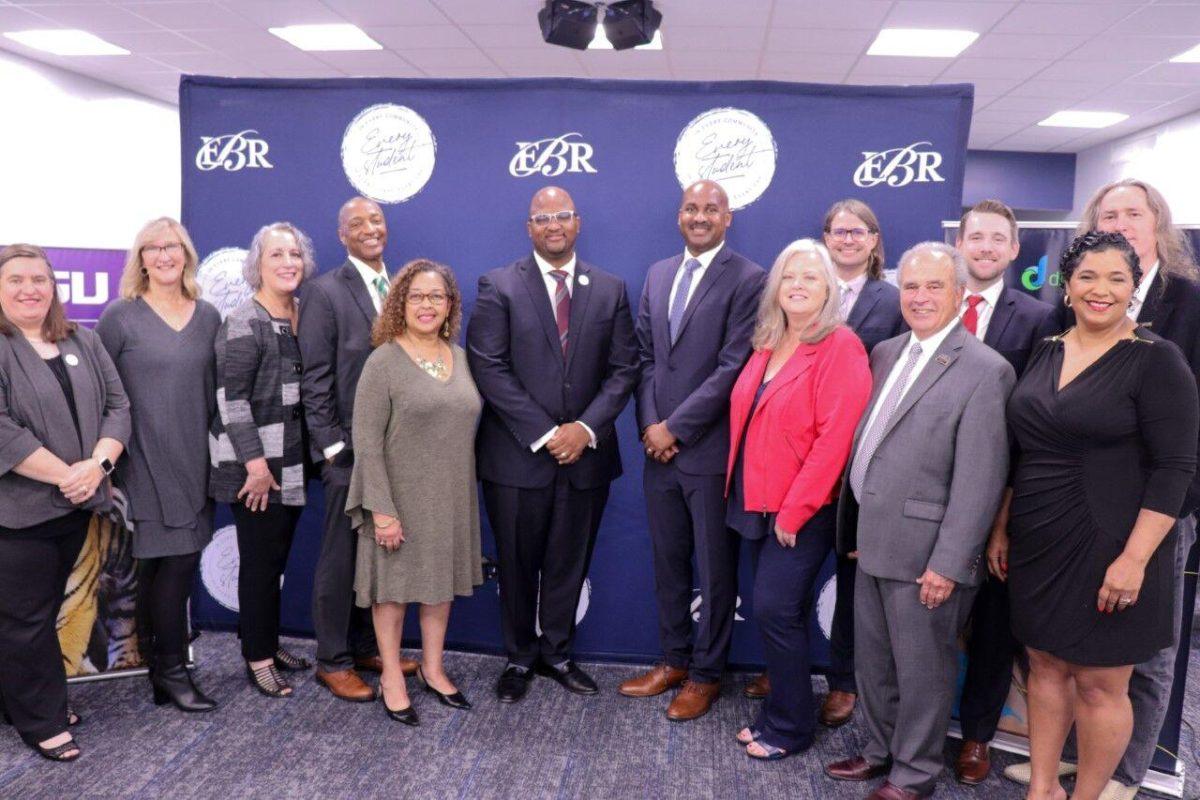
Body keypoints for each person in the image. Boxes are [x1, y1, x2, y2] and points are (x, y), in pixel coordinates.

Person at [1003, 180, 1200, 800]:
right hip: (1040, 536)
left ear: (1135, 282)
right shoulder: (1047, 347)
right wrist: (1002, 524)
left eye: (1117, 279)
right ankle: (1042, 788)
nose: (1101, 290)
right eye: (1088, 277)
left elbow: (1175, 466)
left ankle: (1091, 793)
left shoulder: (1157, 357)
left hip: (1115, 538)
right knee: (1044, 668)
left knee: (1101, 684)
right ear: (1067, 283)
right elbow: (1024, 446)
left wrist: (1136, 558)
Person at [825, 241, 1014, 800]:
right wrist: (858, 525)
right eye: (911, 286)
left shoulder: (986, 370)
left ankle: (914, 774)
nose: (921, 297)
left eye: (935, 286)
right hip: (872, 542)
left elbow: (980, 481)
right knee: (875, 666)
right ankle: (880, 751)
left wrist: (949, 564)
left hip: (929, 557)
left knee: (924, 674)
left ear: (960, 294)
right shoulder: (884, 352)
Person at [467, 186, 638, 703]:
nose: (554, 224)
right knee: (517, 565)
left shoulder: (610, 289)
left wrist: (583, 430)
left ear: (578, 223)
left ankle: (558, 653)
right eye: (543, 217)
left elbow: (624, 368)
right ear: (529, 228)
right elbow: (488, 367)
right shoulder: (498, 286)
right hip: (517, 457)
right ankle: (519, 657)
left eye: (562, 215)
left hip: (586, 457)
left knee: (569, 562)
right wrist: (546, 434)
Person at [618, 180, 765, 721]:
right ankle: (674, 659)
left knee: (714, 567)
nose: (699, 217)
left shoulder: (749, 279)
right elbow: (645, 357)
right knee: (668, 562)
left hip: (707, 449)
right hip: (658, 450)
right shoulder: (659, 274)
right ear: (679, 216)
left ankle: (706, 674)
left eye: (711, 209)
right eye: (691, 208)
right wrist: (651, 425)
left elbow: (734, 367)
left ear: (728, 217)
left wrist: (676, 428)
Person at [761, 199, 906, 718]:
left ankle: (843, 680)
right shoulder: (781, 319)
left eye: (857, 231)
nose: (847, 239)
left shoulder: (893, 302)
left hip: (861, 467)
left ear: (873, 240)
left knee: (851, 586)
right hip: (802, 472)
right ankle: (786, 673)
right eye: (836, 231)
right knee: (784, 594)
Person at [726, 240, 870, 759]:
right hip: (754, 502)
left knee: (773, 607)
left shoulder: (840, 345)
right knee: (775, 613)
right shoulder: (768, 340)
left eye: (810, 277)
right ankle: (779, 712)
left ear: (830, 287)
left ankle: (791, 727)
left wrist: (796, 509)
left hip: (802, 510)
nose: (798, 286)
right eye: (789, 277)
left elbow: (836, 439)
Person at [0, 244, 130, 761]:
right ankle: (43, 720)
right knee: (26, 619)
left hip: (75, 507)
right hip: (18, 513)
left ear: (54, 287)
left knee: (39, 611)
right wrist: (68, 477)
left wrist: (95, 467)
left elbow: (118, 406)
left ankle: (22, 700)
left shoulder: (83, 339)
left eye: (39, 279)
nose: (30, 289)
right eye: (16, 280)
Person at [346, 259, 483, 726]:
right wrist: (381, 511)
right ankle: (391, 676)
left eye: (437, 297)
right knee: (394, 593)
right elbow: (366, 444)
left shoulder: (460, 357)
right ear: (400, 303)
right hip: (398, 500)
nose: (427, 305)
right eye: (417, 296)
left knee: (438, 589)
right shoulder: (382, 361)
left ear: (450, 306)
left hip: (450, 499)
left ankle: (434, 668)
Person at [951, 199, 1060, 784]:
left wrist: (1005, 512)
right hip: (932, 491)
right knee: (929, 620)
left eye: (999, 239)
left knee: (994, 626)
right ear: (961, 244)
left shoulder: (1040, 318)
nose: (987, 247)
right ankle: (909, 729)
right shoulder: (929, 305)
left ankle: (975, 738)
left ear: (1015, 250)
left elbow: (1036, 420)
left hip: (1002, 493)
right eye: (977, 237)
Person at [96, 217, 221, 714]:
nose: (164, 255)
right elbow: (100, 396)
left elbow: (218, 394)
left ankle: (158, 669)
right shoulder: (120, 317)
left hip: (196, 459)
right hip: (142, 460)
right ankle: (172, 672)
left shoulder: (209, 316)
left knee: (161, 572)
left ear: (186, 254)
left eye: (172, 246)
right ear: (141, 258)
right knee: (172, 567)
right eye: (153, 247)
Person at [209, 222, 315, 699]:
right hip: (255, 468)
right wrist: (255, 466)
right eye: (276, 255)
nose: (287, 262)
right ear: (258, 265)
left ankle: (267, 643)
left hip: (291, 464)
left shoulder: (301, 314)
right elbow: (232, 402)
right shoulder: (243, 321)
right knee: (258, 565)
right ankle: (258, 658)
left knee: (275, 563)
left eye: (294, 253)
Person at [298, 197, 398, 705]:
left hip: (392, 452)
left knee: (375, 557)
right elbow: (314, 380)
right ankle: (332, 660)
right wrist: (334, 448)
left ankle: (364, 647)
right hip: (347, 455)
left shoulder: (400, 288)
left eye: (376, 220)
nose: (369, 228)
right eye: (357, 223)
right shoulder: (323, 293)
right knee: (339, 559)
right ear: (341, 236)